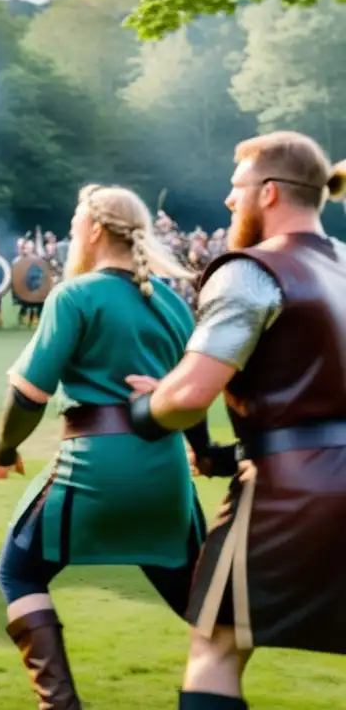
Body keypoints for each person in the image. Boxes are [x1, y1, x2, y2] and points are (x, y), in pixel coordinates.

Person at [125, 132, 346, 710]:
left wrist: (147, 410)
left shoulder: (250, 271)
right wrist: (226, 455)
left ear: (268, 193)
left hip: (288, 493)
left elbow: (192, 394)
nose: (229, 200)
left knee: (217, 651)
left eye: (236, 186)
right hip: (315, 469)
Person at [0, 185, 209, 709]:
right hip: (167, 473)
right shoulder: (175, 304)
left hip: (92, 468)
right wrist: (200, 449)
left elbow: (28, 393)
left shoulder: (75, 295)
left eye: (73, 225)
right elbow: (190, 391)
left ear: (91, 230)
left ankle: (59, 704)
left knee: (18, 572)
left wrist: (3, 450)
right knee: (207, 610)